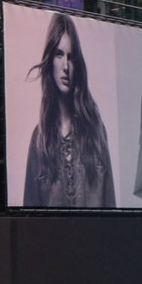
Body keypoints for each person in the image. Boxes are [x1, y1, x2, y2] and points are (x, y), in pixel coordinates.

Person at [23, 13, 116, 207]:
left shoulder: (96, 131)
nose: (65, 66)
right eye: (59, 54)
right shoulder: (39, 139)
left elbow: (110, 206)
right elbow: (29, 215)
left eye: (71, 57)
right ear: (50, 61)